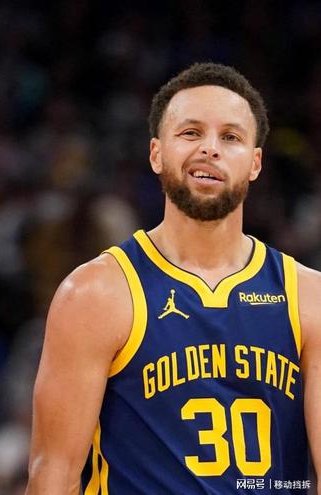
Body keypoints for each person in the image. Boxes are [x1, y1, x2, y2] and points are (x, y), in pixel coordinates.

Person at [25, 62, 321, 494]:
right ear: (156, 153)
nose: (210, 149)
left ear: (255, 163)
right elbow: (54, 474)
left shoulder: (308, 297)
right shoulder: (96, 294)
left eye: (231, 137)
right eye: (190, 132)